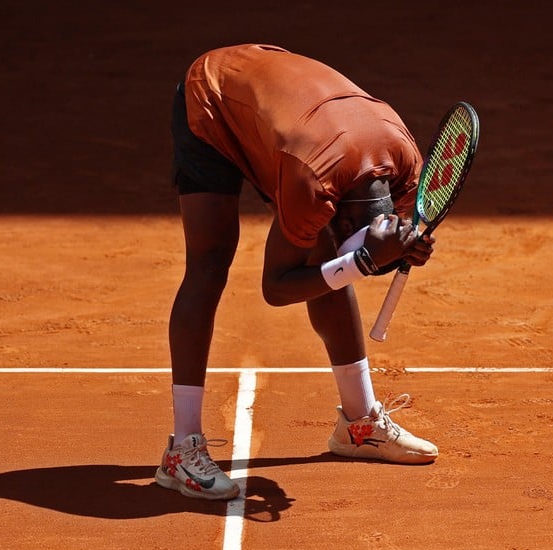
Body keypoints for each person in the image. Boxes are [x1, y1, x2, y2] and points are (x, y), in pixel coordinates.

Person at [155, 44, 438, 500]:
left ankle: (358, 423)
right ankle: (180, 452)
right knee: (209, 263)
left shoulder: (405, 165)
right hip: (215, 98)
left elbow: (366, 249)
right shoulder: (313, 183)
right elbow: (277, 287)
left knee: (327, 255)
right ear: (334, 210)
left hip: (293, 126)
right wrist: (364, 260)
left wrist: (404, 251)